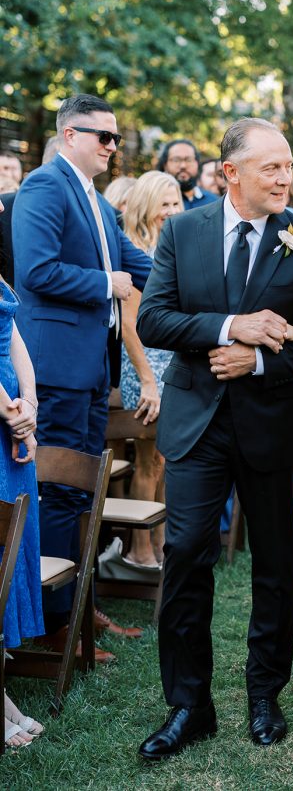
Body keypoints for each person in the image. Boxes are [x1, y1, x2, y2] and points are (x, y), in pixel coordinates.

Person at [136, 117, 293, 761]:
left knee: (276, 565)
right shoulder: (183, 229)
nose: (285, 178)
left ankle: (264, 693)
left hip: (273, 426)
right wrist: (232, 327)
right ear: (231, 174)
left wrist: (258, 361)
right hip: (198, 423)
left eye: (288, 166)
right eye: (270, 168)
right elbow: (153, 318)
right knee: (188, 553)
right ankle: (189, 704)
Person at [12, 93, 152, 654]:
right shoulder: (46, 186)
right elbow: (37, 270)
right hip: (56, 368)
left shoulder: (95, 200)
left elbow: (138, 262)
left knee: (86, 489)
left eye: (116, 138)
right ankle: (53, 623)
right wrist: (105, 285)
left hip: (93, 369)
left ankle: (82, 608)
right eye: (104, 137)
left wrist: (196, 274)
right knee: (60, 492)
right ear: (71, 135)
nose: (113, 148)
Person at [119, 171, 183, 568]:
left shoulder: (172, 247)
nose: (173, 211)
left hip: (173, 363)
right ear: (146, 206)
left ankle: (161, 544)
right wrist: (148, 382)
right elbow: (129, 324)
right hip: (143, 367)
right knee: (149, 461)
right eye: (165, 204)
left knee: (167, 460)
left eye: (176, 203)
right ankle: (139, 549)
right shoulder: (133, 250)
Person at [0, 197, 44, 749]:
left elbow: (14, 339)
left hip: (11, 422)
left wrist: (29, 400)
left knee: (9, 552)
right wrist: (12, 412)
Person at [156, 138, 218, 210]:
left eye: (189, 160)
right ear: (165, 165)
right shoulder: (156, 200)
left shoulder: (214, 202)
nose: (183, 166)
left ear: (197, 164)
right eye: (176, 160)